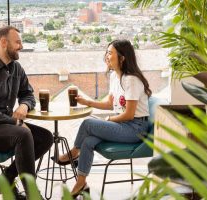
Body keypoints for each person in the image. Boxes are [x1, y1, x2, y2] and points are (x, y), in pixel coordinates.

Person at [57, 39, 152, 198]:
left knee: (88, 123)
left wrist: (108, 120)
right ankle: (81, 184)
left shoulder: (132, 80)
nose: (106, 56)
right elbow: (110, 104)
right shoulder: (115, 76)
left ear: (122, 58)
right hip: (123, 125)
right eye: (107, 52)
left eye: (110, 53)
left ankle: (73, 153)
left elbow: (129, 114)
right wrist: (87, 102)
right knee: (88, 141)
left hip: (136, 128)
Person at [0, 26, 53, 199]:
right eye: (18, 42)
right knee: (22, 134)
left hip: (2, 125)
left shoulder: (16, 68)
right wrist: (15, 122)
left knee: (45, 137)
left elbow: (28, 94)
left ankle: (6, 179)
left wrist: (24, 106)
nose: (21, 46)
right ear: (4, 42)